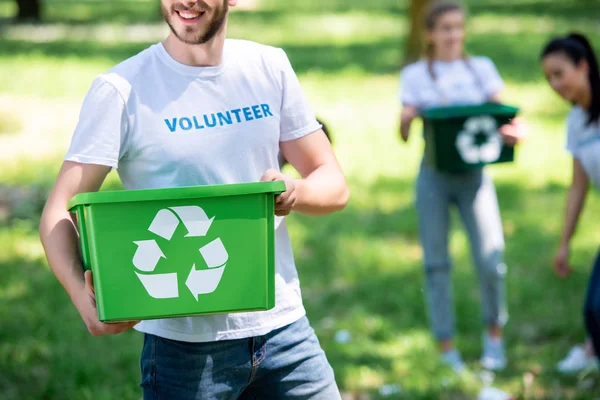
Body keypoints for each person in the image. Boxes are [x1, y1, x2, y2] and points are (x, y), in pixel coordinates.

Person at [38, 1, 349, 398]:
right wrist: (81, 298)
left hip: (286, 334)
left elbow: (333, 183)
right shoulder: (122, 89)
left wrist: (295, 191)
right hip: (184, 352)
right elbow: (59, 210)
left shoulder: (268, 68)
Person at [398, 1, 525, 372]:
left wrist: (516, 133)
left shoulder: (481, 69)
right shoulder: (416, 75)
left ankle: (494, 337)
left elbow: (505, 116)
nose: (453, 35)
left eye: (458, 27)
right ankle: (446, 346)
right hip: (433, 174)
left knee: (490, 259)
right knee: (437, 263)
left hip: (475, 176)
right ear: (430, 34)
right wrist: (406, 119)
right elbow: (403, 134)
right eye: (445, 28)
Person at [540, 32, 600, 374]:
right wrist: (564, 243)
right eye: (548, 77)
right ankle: (593, 351)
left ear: (583, 66)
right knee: (594, 309)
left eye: (559, 74)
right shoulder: (576, 121)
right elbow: (578, 188)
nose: (554, 83)